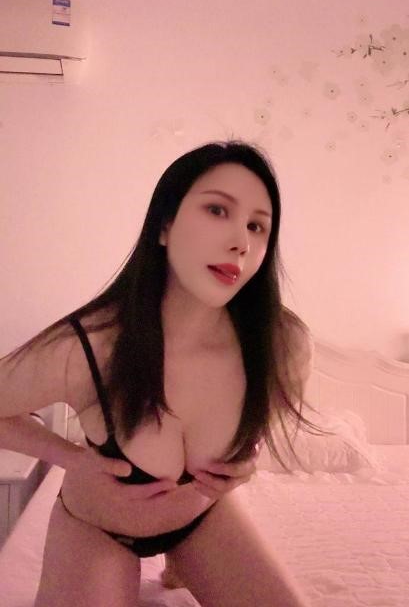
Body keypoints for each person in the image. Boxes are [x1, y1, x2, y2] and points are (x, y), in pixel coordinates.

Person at [0, 140, 326, 607]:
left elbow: (258, 427)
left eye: (257, 225)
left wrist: (246, 460)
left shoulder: (281, 344)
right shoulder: (89, 347)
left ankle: (181, 560)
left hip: (201, 519)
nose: (242, 241)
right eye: (218, 210)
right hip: (98, 526)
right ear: (164, 226)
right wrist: (70, 457)